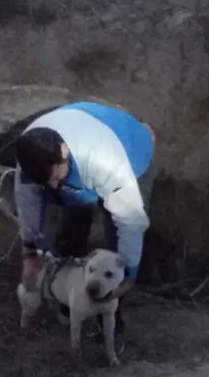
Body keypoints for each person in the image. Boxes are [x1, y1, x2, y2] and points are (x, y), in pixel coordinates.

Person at [14, 101, 156, 349]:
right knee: (71, 225)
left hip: (130, 151)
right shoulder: (30, 156)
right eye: (46, 182)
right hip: (83, 146)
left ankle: (110, 311)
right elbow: (28, 205)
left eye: (55, 177)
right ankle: (71, 296)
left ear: (63, 151)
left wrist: (129, 274)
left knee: (116, 244)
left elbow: (130, 220)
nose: (54, 186)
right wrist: (29, 253)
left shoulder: (105, 161)